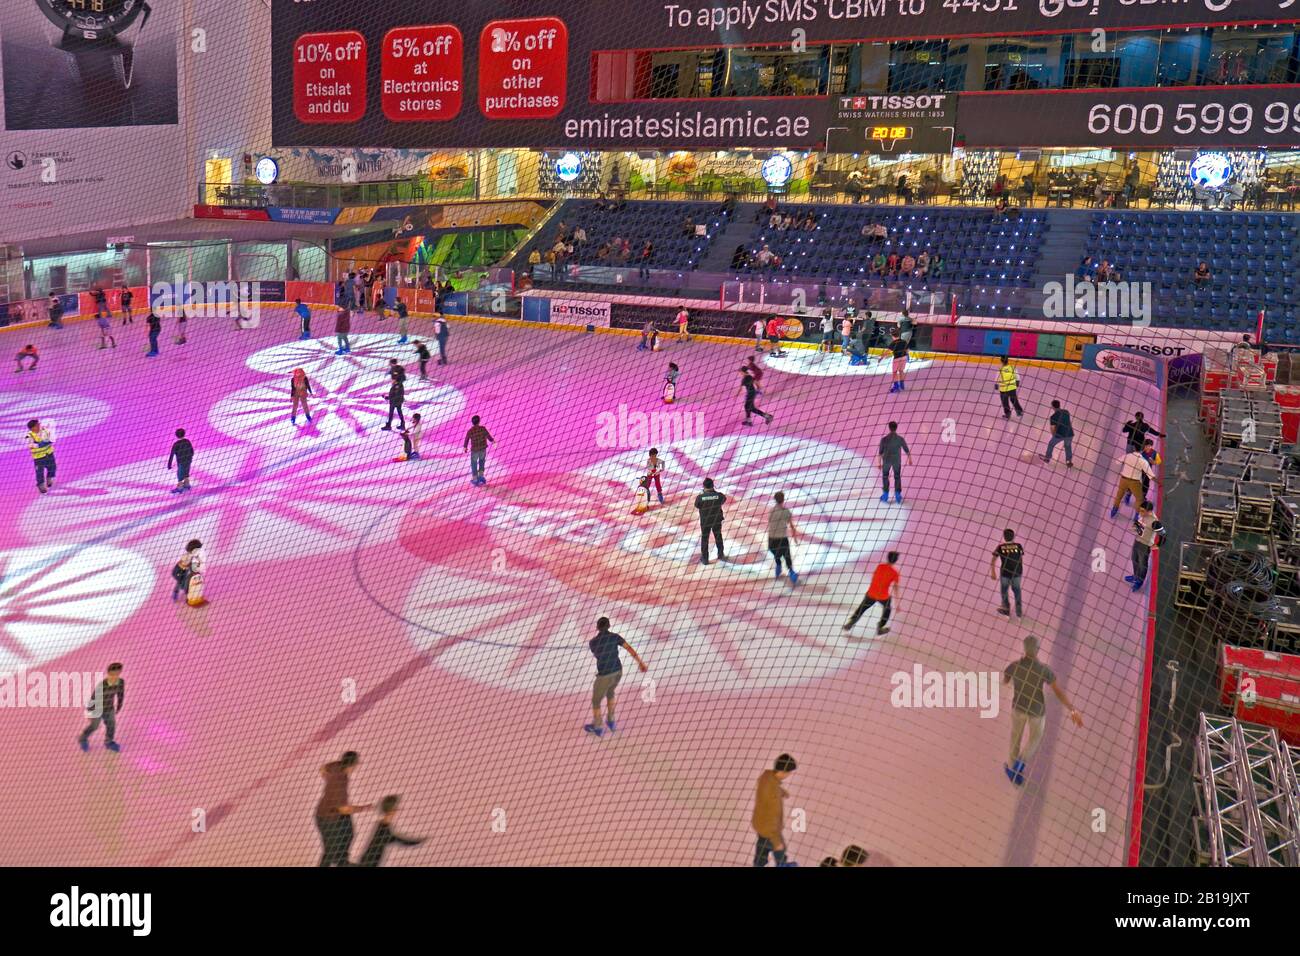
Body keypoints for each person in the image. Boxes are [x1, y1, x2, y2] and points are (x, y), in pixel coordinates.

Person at [1002, 635, 1083, 786]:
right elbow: (1058, 691)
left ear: (1024, 648)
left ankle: (1014, 771)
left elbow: (1005, 681)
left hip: (1018, 708)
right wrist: (1072, 709)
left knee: (1015, 738)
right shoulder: (1043, 670)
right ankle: (1021, 762)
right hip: (1036, 711)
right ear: (1038, 650)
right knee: (1035, 739)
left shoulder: (1014, 666)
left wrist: (1018, 681)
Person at [584, 616, 648, 737]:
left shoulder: (592, 642)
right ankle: (611, 720)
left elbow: (597, 654)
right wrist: (641, 663)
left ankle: (598, 726)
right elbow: (629, 648)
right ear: (609, 626)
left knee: (596, 701)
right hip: (618, 671)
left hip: (604, 675)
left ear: (597, 627)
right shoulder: (615, 637)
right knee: (610, 693)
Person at [316, 751, 371, 867]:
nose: (357, 766)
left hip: (334, 812)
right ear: (352, 765)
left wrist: (327, 777)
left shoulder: (338, 766)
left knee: (348, 833)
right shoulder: (340, 783)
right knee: (330, 851)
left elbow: (323, 769)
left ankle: (342, 862)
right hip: (327, 818)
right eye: (356, 764)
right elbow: (345, 809)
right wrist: (364, 808)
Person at [752, 754, 798, 867]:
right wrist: (777, 842)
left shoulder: (767, 776)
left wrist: (781, 791)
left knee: (762, 849)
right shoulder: (773, 797)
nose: (789, 775)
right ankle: (782, 864)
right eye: (789, 772)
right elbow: (772, 818)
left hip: (759, 824)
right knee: (780, 848)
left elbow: (768, 785)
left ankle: (759, 864)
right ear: (783, 772)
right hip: (769, 828)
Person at [355, 795, 425, 867]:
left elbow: (397, 840)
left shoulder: (383, 827)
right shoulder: (383, 829)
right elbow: (399, 840)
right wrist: (418, 842)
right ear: (392, 811)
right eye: (395, 807)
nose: (397, 810)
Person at [843, 551, 900, 636]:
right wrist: (897, 603)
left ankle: (851, 622)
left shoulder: (880, 566)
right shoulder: (895, 572)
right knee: (887, 609)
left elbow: (874, 578)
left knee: (861, 608)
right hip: (883, 596)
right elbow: (896, 587)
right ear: (896, 560)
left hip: (871, 593)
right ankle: (880, 627)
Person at [77, 663, 124, 754]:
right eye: (113, 674)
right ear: (109, 673)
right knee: (95, 726)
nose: (115, 677)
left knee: (111, 726)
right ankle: (83, 738)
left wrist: (119, 705)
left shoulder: (121, 682)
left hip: (109, 709)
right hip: (96, 709)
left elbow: (120, 695)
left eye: (117, 673)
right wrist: (89, 712)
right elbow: (93, 698)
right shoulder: (102, 685)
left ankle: (109, 742)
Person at [1126, 500, 1165, 593]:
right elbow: (1138, 524)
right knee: (1134, 558)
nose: (1140, 513)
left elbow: (1163, 534)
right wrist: (1134, 527)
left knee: (1142, 563)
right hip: (1138, 540)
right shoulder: (1142, 516)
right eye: (1140, 510)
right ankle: (1135, 575)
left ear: (1149, 511)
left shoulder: (1154, 522)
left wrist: (1158, 545)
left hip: (1145, 545)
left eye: (1143, 511)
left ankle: (1140, 581)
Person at [1110, 446, 1156, 518]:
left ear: (1134, 448)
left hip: (1123, 479)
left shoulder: (1127, 456)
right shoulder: (1143, 460)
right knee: (1139, 499)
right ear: (1143, 449)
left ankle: (1113, 512)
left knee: (1119, 496)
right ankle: (1136, 516)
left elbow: (1117, 462)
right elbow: (1150, 475)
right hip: (1135, 482)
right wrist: (1159, 482)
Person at [991, 529, 1025, 618]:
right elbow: (1021, 558)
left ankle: (1006, 610)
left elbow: (993, 560)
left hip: (1005, 573)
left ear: (1004, 537)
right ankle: (1019, 612)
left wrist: (993, 572)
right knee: (1017, 591)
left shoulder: (1000, 547)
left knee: (1004, 591)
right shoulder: (1018, 546)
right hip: (1017, 573)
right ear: (1013, 536)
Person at [768, 491, 800, 585]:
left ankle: (778, 568)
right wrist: (795, 538)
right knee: (787, 557)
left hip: (771, 539)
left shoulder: (772, 511)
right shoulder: (786, 511)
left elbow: (770, 523)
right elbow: (791, 526)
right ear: (783, 499)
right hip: (782, 538)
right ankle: (792, 574)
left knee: (777, 555)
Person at [695, 477, 727, 565]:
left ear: (704, 486)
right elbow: (723, 500)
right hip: (716, 520)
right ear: (713, 485)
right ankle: (720, 554)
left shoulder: (700, 497)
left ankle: (705, 559)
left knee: (705, 538)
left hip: (705, 521)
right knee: (718, 536)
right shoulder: (719, 495)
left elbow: (697, 505)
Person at [877, 421, 911, 504]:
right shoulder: (900, 439)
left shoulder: (884, 439)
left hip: (887, 461)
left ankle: (885, 495)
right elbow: (906, 449)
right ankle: (898, 496)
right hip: (896, 461)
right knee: (897, 476)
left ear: (889, 428)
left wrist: (879, 463)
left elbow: (880, 453)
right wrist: (910, 459)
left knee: (885, 476)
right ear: (896, 428)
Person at [26, 418, 56, 494]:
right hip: (39, 458)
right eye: (37, 425)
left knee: (53, 467)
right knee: (39, 472)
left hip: (49, 454)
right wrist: (39, 445)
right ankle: (41, 485)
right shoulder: (29, 435)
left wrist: (49, 440)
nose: (39, 425)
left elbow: (51, 438)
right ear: (33, 428)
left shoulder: (44, 430)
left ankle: (49, 478)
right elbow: (30, 445)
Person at [464, 415, 495, 487]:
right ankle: (481, 476)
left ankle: (475, 478)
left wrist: (465, 447)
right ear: (479, 421)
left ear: (472, 422)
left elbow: (466, 439)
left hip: (475, 450)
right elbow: (488, 436)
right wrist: (493, 441)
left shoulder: (470, 431)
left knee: (474, 463)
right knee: (482, 461)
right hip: (483, 449)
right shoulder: (483, 429)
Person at [1042, 400, 1075, 467]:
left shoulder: (1053, 417)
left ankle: (1047, 458)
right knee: (1068, 447)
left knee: (1051, 444)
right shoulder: (1066, 412)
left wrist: (1054, 436)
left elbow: (1053, 429)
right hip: (1069, 433)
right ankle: (1069, 461)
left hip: (1060, 434)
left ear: (1052, 407)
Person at [167, 428, 194, 494]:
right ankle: (187, 485)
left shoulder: (176, 444)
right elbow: (192, 451)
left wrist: (169, 464)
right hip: (188, 460)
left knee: (180, 474)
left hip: (181, 461)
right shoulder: (187, 441)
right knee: (186, 472)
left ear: (176, 435)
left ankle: (180, 488)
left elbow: (172, 454)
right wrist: (190, 456)